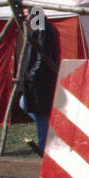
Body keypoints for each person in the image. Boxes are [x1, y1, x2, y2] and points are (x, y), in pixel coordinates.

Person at [19, 11, 59, 149]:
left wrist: (32, 74)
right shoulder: (43, 27)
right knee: (25, 104)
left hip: (41, 79)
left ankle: (44, 144)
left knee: (40, 111)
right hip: (42, 77)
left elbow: (42, 54)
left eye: (28, 15)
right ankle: (48, 134)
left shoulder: (44, 28)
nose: (26, 18)